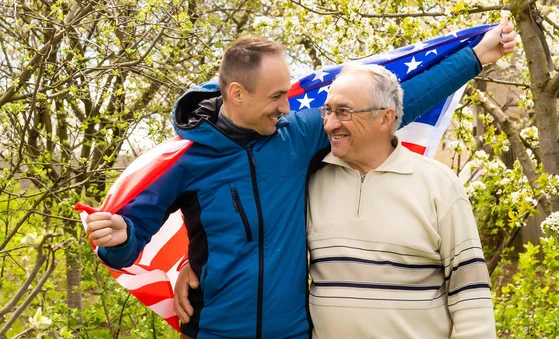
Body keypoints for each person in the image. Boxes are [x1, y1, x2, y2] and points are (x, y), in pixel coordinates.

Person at [86, 19, 515, 339]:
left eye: (288, 95)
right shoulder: (184, 159)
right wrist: (120, 238)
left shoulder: (300, 137)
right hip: (213, 332)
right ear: (237, 94)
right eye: (276, 97)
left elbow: (400, 101)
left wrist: (476, 57)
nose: (286, 108)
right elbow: (124, 247)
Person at [306, 64, 494, 338]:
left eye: (344, 112)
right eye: (329, 110)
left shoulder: (438, 184)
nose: (330, 123)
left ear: (385, 119)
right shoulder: (312, 182)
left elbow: (470, 296)